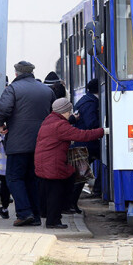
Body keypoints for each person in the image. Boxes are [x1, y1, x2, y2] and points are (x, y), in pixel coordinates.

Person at [0, 61, 55, 227]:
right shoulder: (46, 90)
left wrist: (0, 125)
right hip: (40, 143)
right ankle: (35, 216)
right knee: (32, 180)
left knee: (14, 178)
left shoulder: (13, 89)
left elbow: (2, 108)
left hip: (18, 143)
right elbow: (54, 113)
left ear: (16, 73)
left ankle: (24, 213)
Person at [35, 98, 106, 228]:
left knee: (48, 190)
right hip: (53, 163)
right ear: (64, 111)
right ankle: (53, 221)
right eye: (69, 111)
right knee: (56, 193)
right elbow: (81, 135)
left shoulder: (50, 119)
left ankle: (46, 214)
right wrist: (102, 132)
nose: (70, 114)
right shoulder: (60, 125)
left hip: (44, 161)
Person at [70, 78, 102, 212]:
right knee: (81, 176)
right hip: (87, 144)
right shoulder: (90, 103)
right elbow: (91, 124)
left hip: (84, 144)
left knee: (81, 176)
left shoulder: (86, 99)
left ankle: (72, 204)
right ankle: (71, 204)